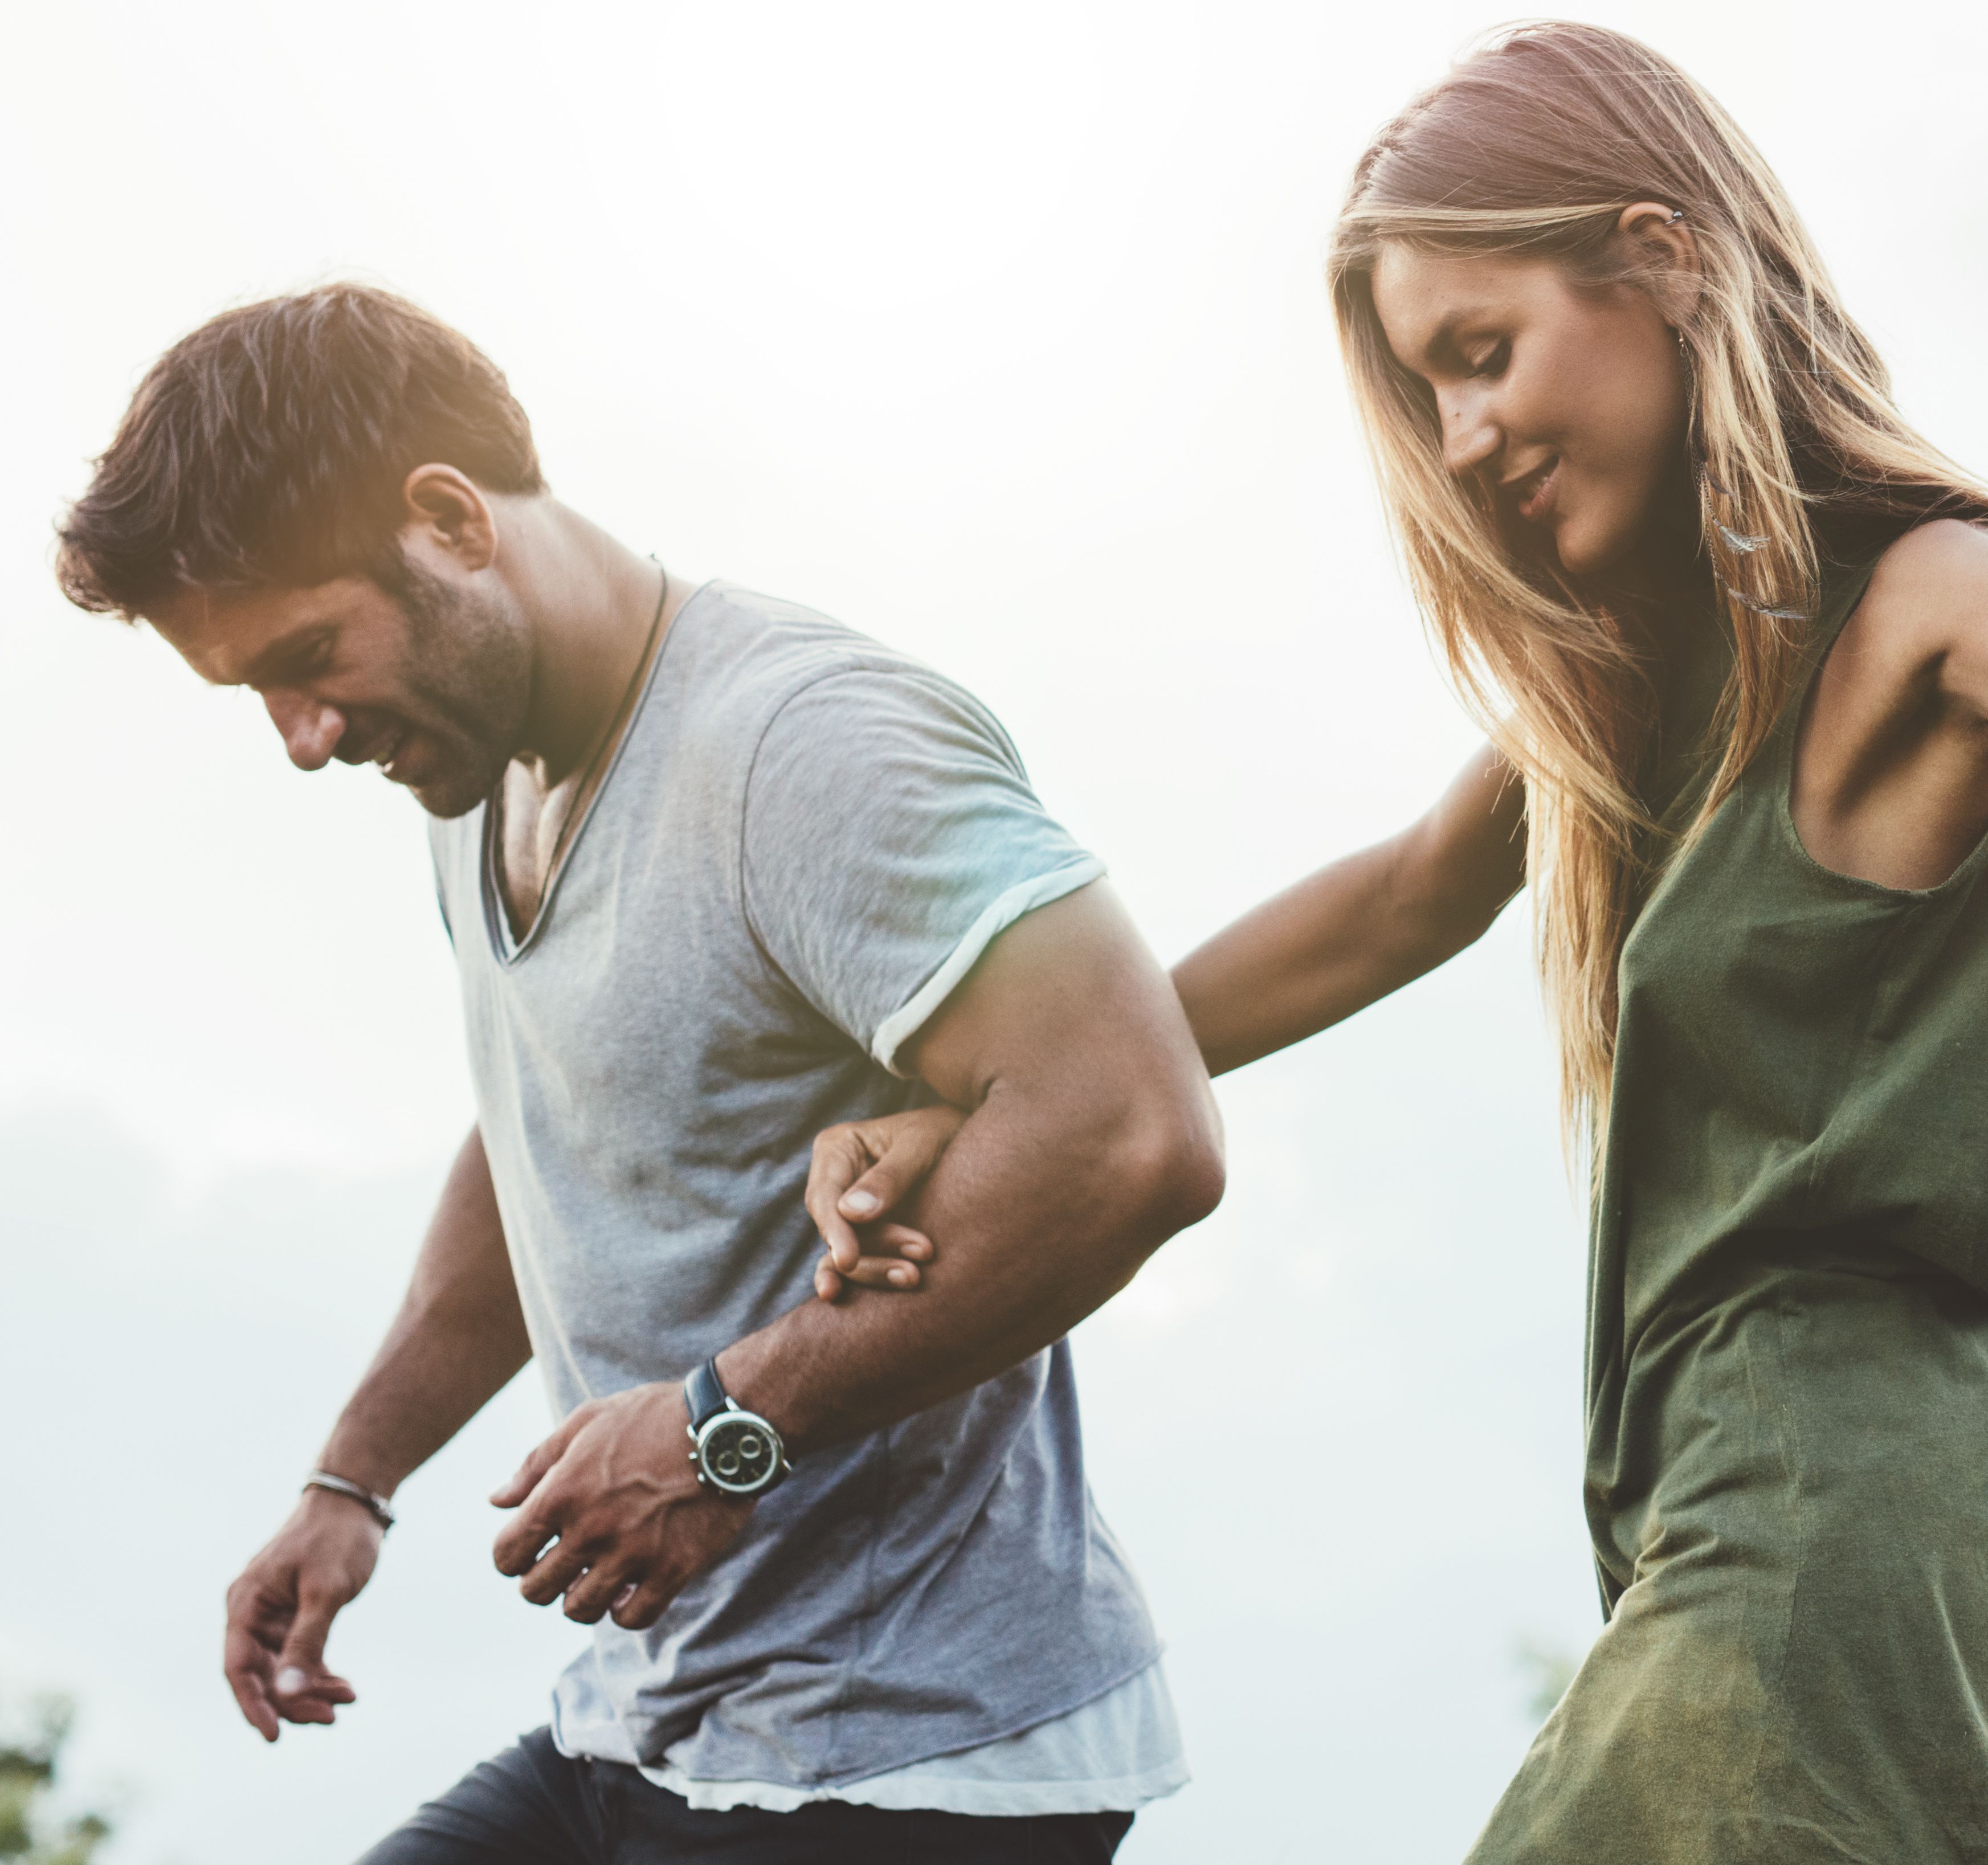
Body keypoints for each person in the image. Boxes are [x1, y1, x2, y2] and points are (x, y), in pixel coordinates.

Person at [808, 22, 1988, 1861]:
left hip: (1821, 1542)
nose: (1462, 438)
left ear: (1663, 264)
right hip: (1764, 1539)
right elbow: (1392, 900)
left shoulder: (1927, 605)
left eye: (1478, 353)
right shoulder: (1641, 714)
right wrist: (980, 1096)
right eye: (1426, 392)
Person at [54, 285, 1224, 1864]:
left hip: (918, 1757)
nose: (304, 736)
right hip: (649, 1714)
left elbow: (1131, 1131)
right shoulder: (475, 777)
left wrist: (724, 1428)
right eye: (255, 690)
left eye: (310, 654)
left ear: (452, 520)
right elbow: (546, 1128)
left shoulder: (802, 743)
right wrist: (355, 1474)